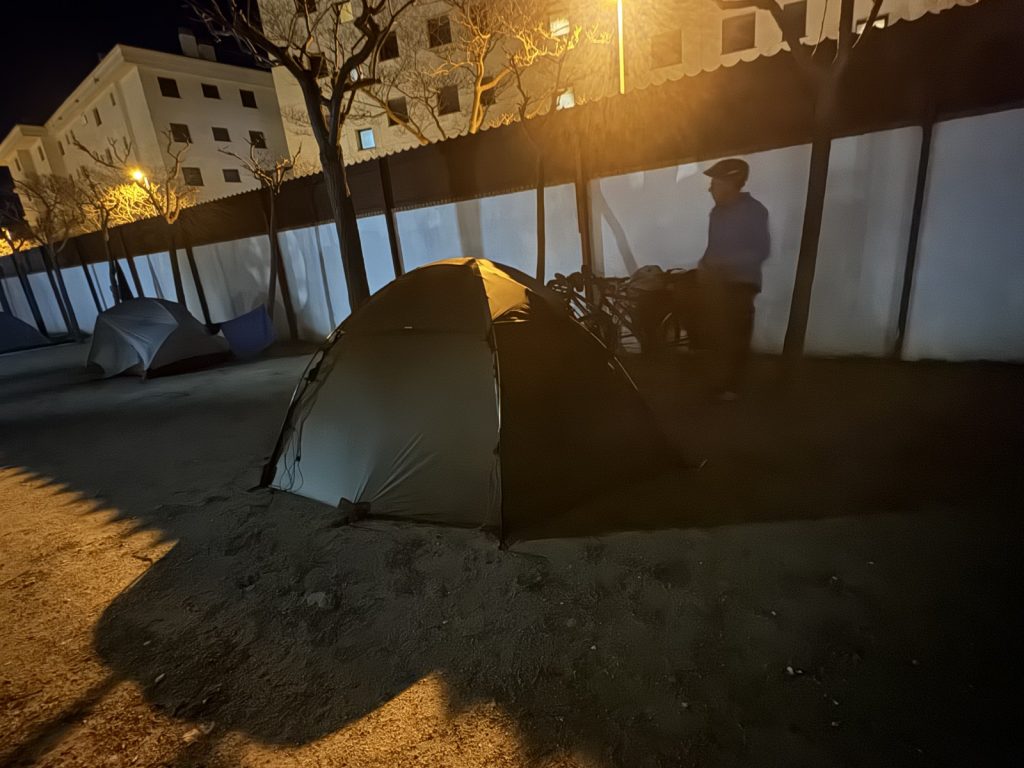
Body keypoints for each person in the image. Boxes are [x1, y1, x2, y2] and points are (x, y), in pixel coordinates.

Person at [697, 158, 771, 401]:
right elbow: (713, 247)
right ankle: (718, 382)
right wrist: (704, 264)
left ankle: (732, 386)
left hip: (741, 283)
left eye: (715, 183)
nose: (710, 188)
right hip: (717, 283)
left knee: (736, 334)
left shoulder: (754, 211)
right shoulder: (717, 213)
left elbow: (760, 250)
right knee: (717, 333)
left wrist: (722, 263)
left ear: (731, 182)